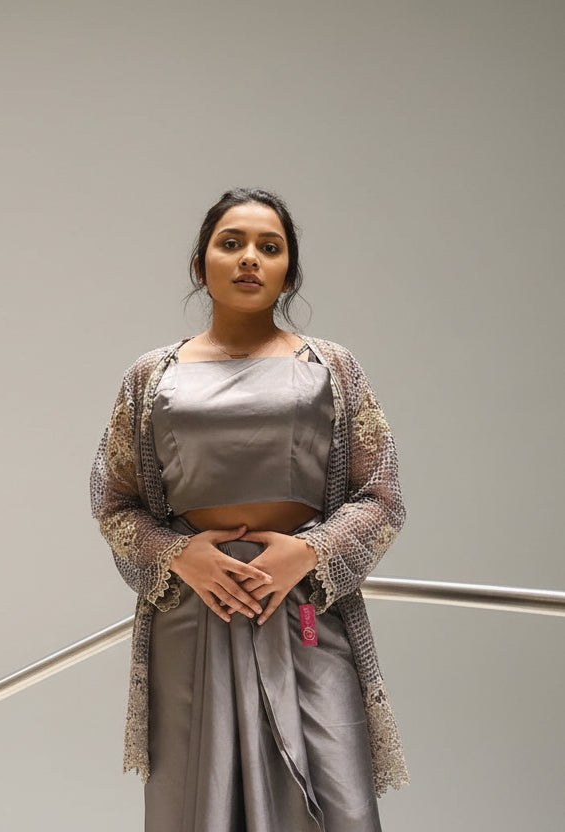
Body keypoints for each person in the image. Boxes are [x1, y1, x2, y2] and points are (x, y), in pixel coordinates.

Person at [90, 187, 410, 831]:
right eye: (230, 243)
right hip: (193, 613)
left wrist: (309, 553)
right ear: (200, 261)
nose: (249, 260)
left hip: (307, 609)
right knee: (198, 803)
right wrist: (182, 557)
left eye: (270, 248)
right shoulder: (152, 375)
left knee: (337, 800)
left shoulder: (332, 368)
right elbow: (113, 502)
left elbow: (382, 497)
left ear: (288, 270)